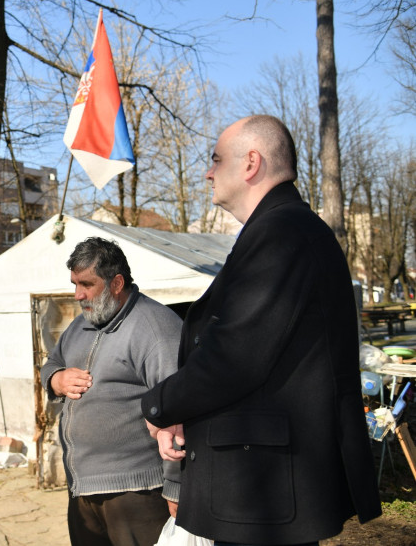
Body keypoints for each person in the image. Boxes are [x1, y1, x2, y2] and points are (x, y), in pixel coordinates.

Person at [142, 115, 382, 545]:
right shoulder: (280, 230)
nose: (207, 171)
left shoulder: (282, 233)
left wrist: (159, 406)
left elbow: (234, 356)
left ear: (251, 163)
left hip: (263, 493)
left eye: (216, 159)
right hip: (262, 487)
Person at [40, 237, 182, 546]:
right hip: (82, 491)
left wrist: (176, 487)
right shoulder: (81, 324)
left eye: (86, 284)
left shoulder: (155, 328)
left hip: (137, 494)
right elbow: (51, 363)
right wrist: (57, 379)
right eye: (75, 284)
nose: (78, 295)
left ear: (116, 282)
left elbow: (179, 411)